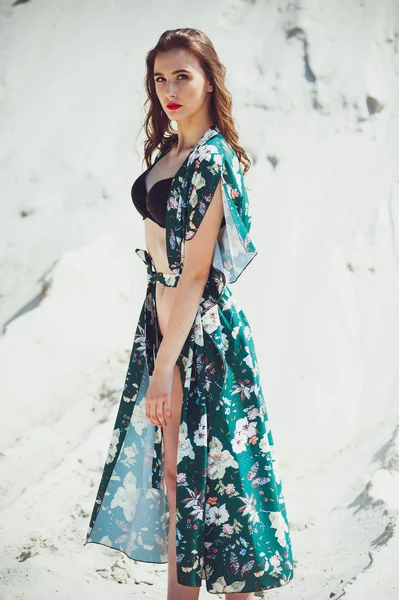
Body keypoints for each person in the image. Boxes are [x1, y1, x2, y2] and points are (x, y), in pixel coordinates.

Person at [84, 28, 295, 600]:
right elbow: (160, 264)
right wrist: (155, 343)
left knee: (212, 488)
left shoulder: (211, 159)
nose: (170, 89)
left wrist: (162, 368)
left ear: (208, 81)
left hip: (200, 336)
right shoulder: (166, 154)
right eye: (160, 79)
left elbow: (196, 275)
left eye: (183, 76)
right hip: (164, 324)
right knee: (183, 486)